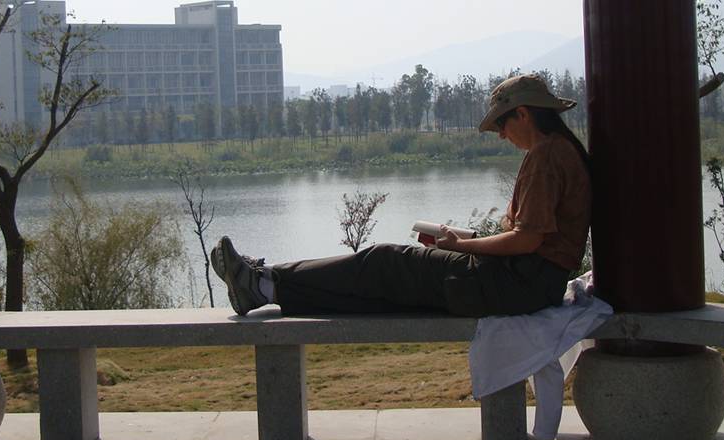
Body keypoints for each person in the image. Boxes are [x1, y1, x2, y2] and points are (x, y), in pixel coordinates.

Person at [212, 74, 592, 318]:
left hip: (514, 287)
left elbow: (527, 240)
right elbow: (534, 239)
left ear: (523, 114)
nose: (501, 136)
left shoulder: (546, 156)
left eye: (502, 125)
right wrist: (466, 241)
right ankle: (264, 286)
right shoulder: (559, 151)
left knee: (384, 262)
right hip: (524, 286)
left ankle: (263, 282)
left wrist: (465, 246)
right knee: (382, 288)